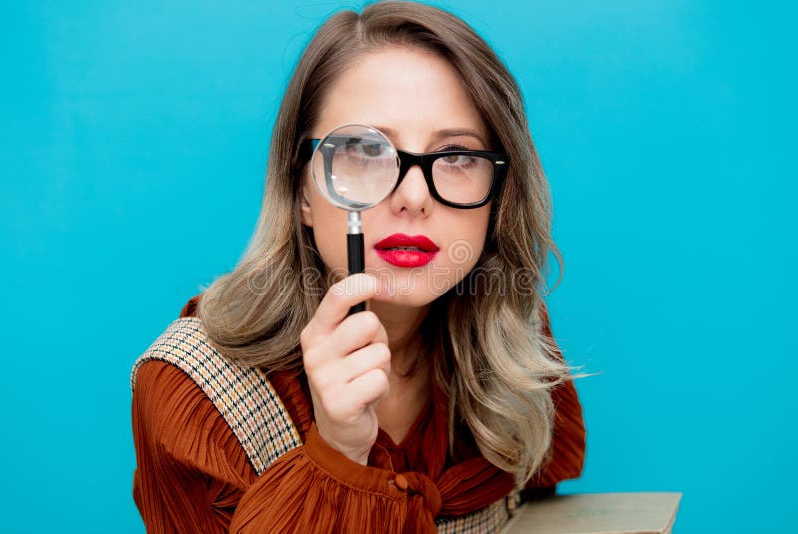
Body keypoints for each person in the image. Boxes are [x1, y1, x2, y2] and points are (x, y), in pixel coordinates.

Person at [130, 1, 587, 532]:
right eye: (365, 152)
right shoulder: (191, 389)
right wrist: (338, 454)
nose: (413, 197)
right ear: (301, 188)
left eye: (459, 156)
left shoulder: (513, 332)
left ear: (499, 197)